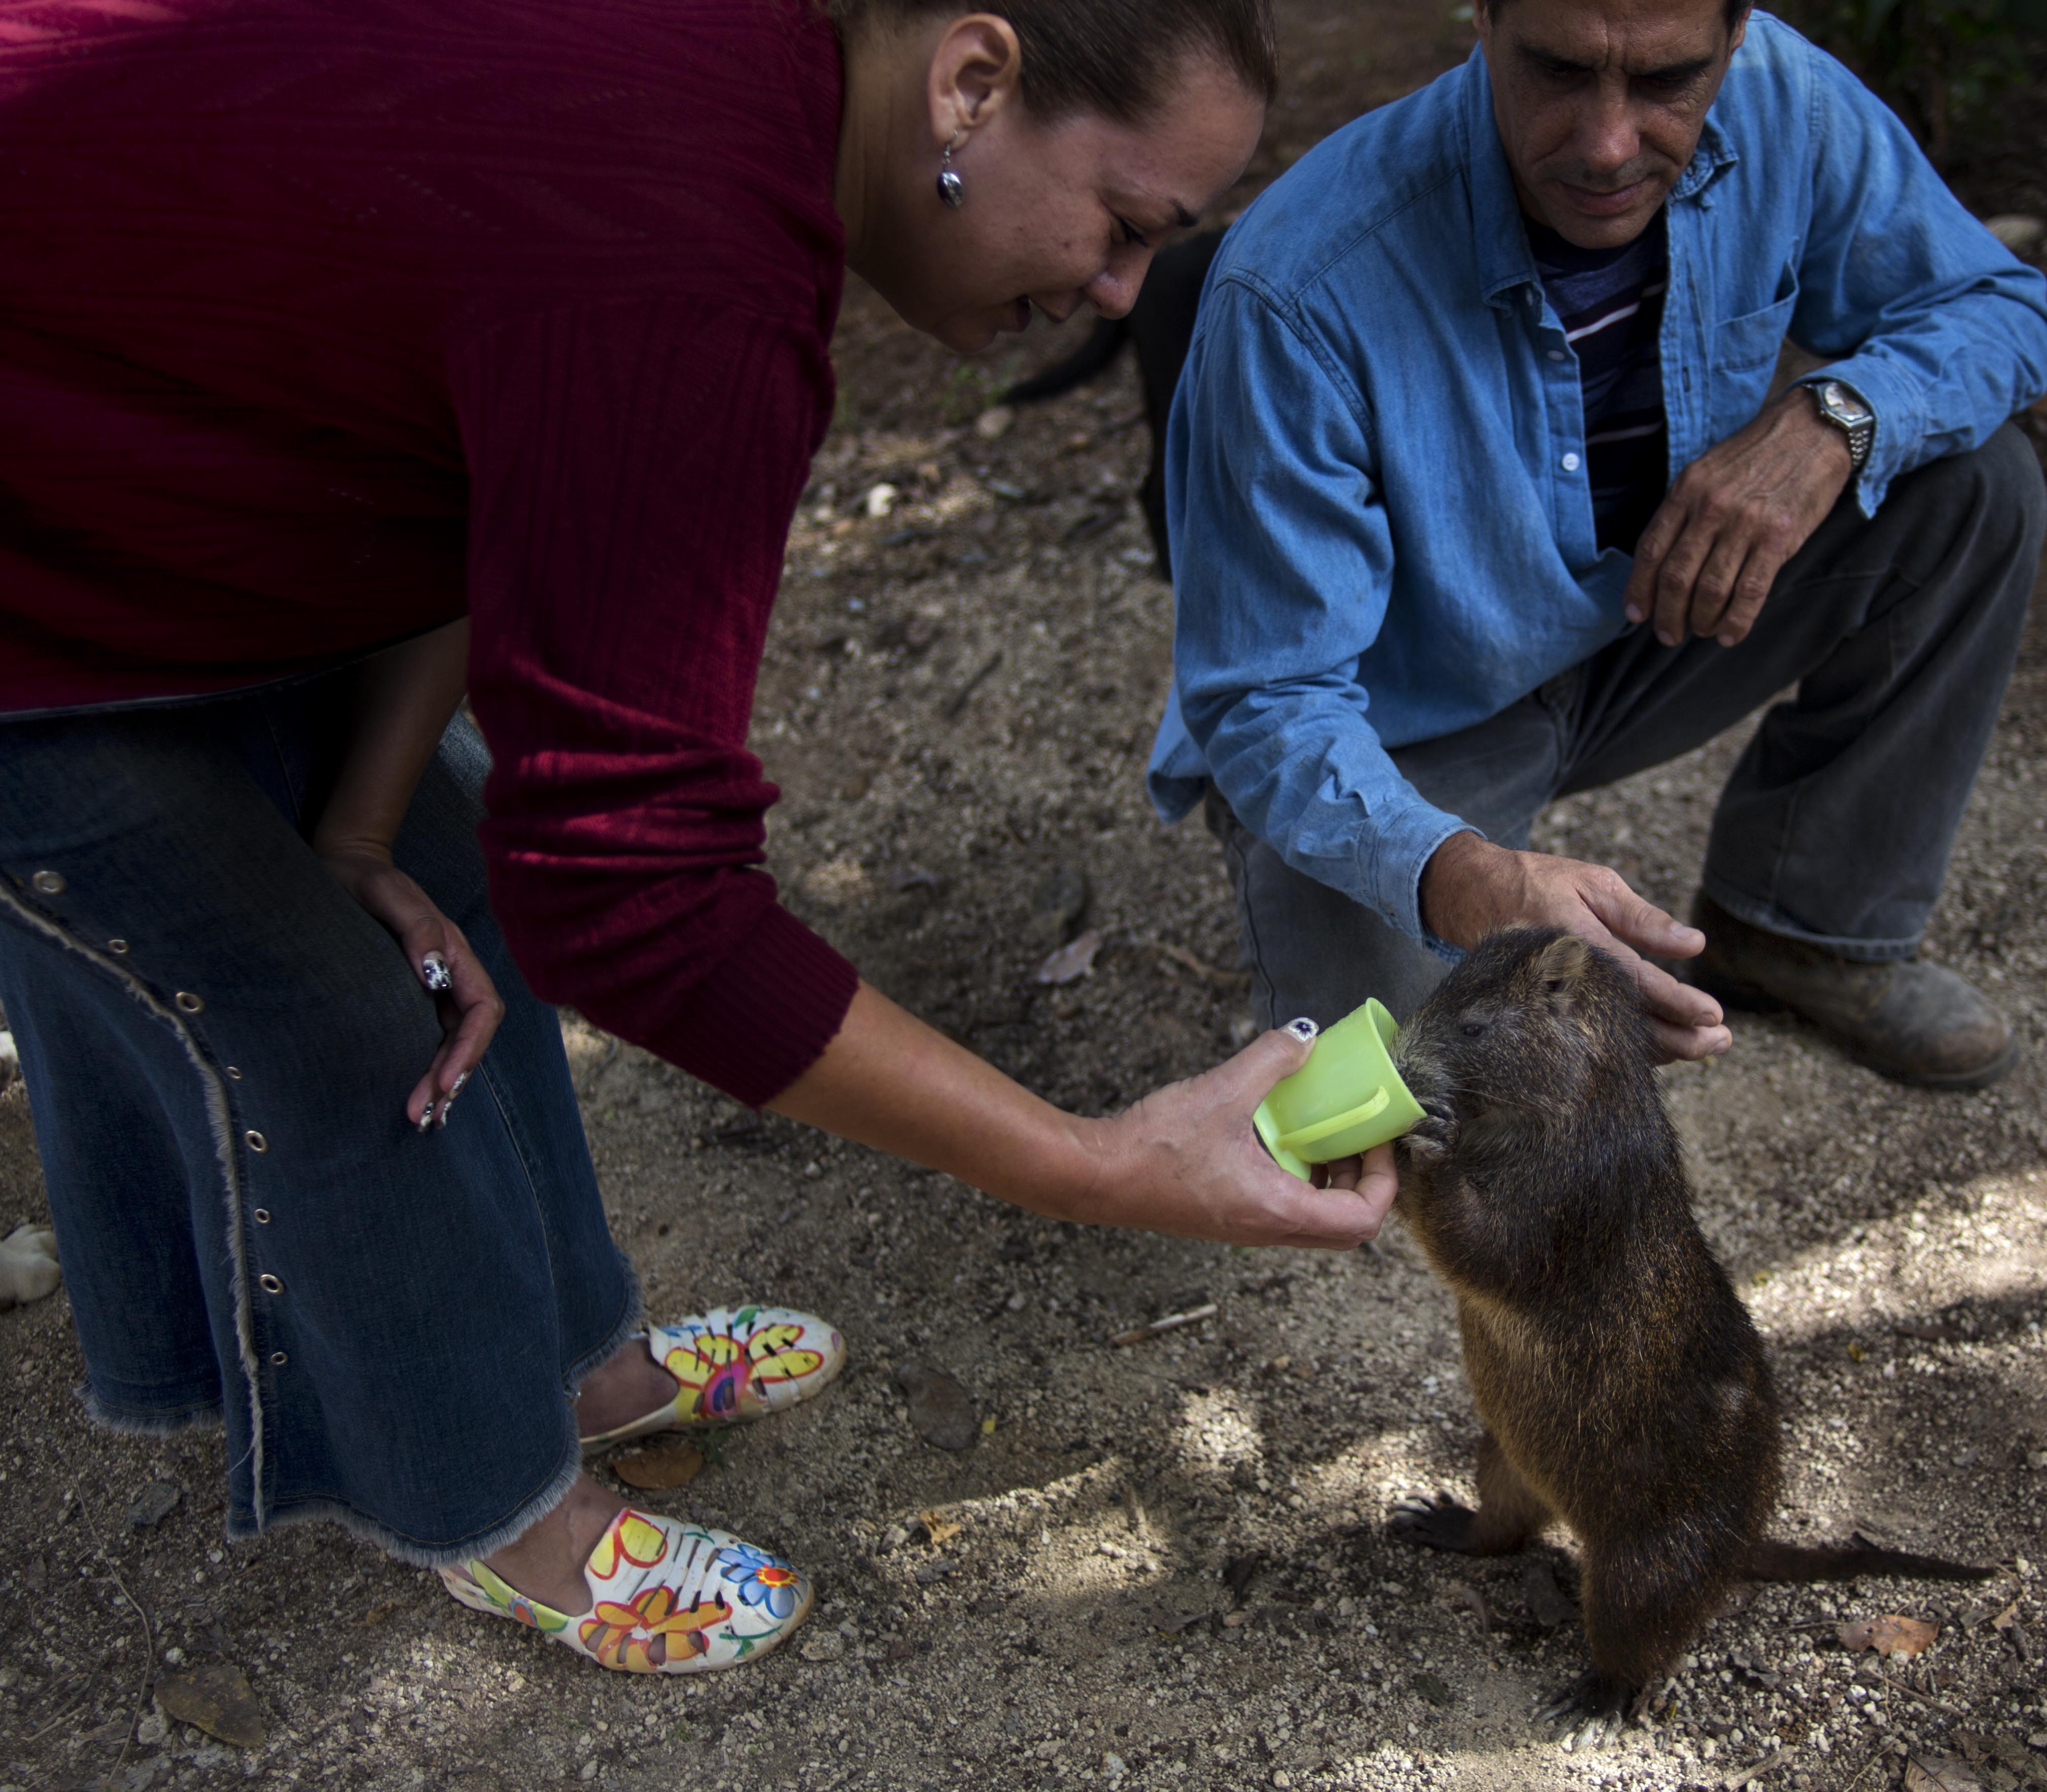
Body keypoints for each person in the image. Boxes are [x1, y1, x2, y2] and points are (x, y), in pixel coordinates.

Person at [0, 0, 1395, 1679]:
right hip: (51, 536)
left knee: (448, 884)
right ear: (974, 79)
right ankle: (498, 1505)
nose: (1117, 294)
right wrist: (1083, 1156)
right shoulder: (699, 263)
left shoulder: (744, 113)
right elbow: (641, 896)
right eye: (1124, 227)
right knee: (319, 1022)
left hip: (185, 471)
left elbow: (504, 478)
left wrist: (365, 818)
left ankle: (579, 1357)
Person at [1151, 0, 2047, 1090]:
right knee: (1400, 1097)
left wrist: (1835, 419)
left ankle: (1803, 925)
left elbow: (1997, 307)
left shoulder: (1786, 99)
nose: (1607, 145)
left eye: (1668, 80)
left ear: (1737, 37)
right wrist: (1463, 877)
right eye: (1559, 71)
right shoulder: (1298, 282)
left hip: (1651, 615)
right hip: (1399, 723)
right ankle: (1397, 921)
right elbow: (1264, 699)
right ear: (1480, 18)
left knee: (1976, 487)